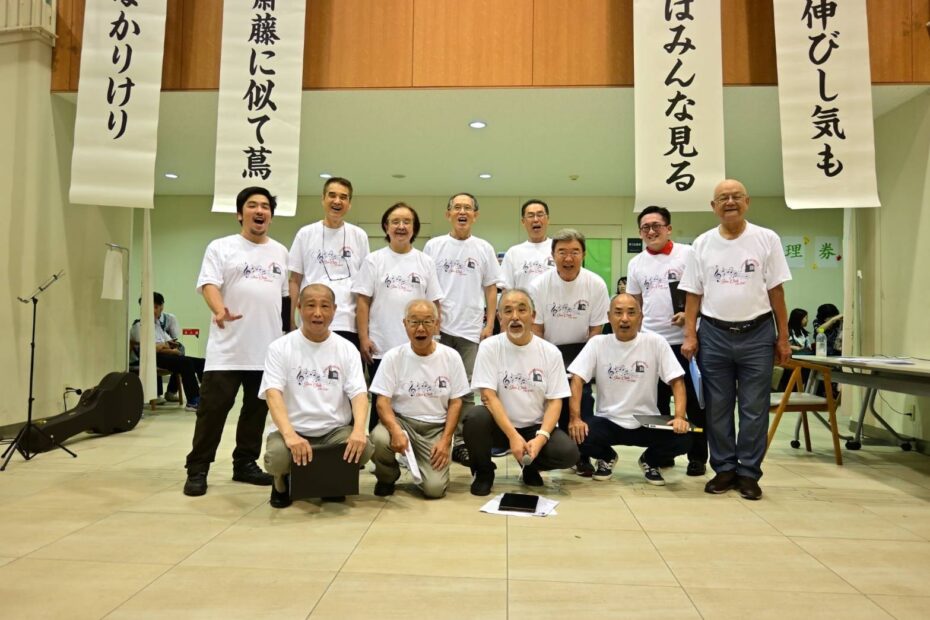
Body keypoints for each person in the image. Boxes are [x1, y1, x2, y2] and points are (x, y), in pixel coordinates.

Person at [680, 179, 792, 501]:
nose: (730, 202)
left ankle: (749, 473)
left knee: (754, 408)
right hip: (714, 335)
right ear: (713, 206)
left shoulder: (766, 239)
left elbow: (777, 291)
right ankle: (725, 468)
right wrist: (690, 335)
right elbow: (693, 294)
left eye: (736, 196)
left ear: (747, 201)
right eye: (723, 198)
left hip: (758, 334)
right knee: (718, 407)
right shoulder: (701, 243)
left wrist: (783, 337)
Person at [183, 186, 289, 497]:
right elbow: (208, 284)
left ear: (271, 215)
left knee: (256, 412)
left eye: (265, 206)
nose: (260, 211)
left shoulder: (280, 252)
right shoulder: (221, 247)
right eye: (252, 205)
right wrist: (219, 310)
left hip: (267, 349)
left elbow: (285, 299)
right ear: (239, 214)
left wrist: (287, 336)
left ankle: (244, 463)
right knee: (213, 411)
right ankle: (198, 468)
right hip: (227, 349)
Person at [259, 283, 373, 508]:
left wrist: (359, 430)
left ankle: (329, 481)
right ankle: (281, 480)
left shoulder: (346, 348)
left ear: (334, 309)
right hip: (293, 429)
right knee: (277, 457)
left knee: (365, 448)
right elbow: (273, 394)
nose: (318, 313)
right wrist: (290, 435)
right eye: (310, 305)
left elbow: (359, 393)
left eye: (325, 306)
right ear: (299, 308)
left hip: (333, 432)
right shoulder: (280, 347)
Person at [463, 288, 579, 496]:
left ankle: (530, 465)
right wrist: (512, 436)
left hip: (534, 427)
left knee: (568, 453)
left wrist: (541, 438)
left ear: (533, 316)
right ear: (500, 318)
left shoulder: (550, 352)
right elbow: (488, 396)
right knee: (475, 417)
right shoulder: (489, 347)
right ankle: (484, 472)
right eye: (507, 311)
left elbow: (555, 402)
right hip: (499, 426)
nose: (515, 316)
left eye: (521, 310)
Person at [568, 294, 691, 485]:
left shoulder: (655, 342)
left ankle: (650, 461)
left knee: (685, 437)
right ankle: (606, 457)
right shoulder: (597, 343)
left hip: (646, 421)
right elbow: (577, 379)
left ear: (640, 317)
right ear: (609, 317)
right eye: (618, 313)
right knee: (577, 435)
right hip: (608, 420)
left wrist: (680, 417)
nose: (624, 319)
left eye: (631, 313)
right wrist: (575, 418)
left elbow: (677, 380)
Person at [626, 205, 707, 476]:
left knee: (695, 403)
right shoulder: (636, 263)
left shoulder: (688, 254)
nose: (651, 231)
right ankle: (664, 453)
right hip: (652, 344)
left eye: (656, 226)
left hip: (687, 342)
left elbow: (705, 292)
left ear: (668, 228)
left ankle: (698, 457)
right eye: (645, 227)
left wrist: (690, 316)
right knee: (658, 403)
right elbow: (635, 305)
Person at [423, 192, 502, 467]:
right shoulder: (434, 246)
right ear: (448, 214)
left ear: (475, 215)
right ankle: (436, 440)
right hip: (439, 330)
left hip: (470, 330)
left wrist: (489, 324)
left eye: (467, 208)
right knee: (438, 386)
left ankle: (462, 443)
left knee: (467, 391)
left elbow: (491, 288)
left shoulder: (484, 248)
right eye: (457, 207)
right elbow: (427, 286)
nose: (462, 212)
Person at [352, 202, 443, 430]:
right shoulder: (374, 260)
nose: (401, 226)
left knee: (411, 399)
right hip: (380, 345)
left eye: (406, 222)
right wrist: (363, 338)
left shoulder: (425, 261)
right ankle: (378, 444)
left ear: (414, 228)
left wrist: (434, 338)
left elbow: (434, 304)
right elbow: (363, 302)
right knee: (380, 400)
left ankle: (409, 441)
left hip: (417, 346)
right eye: (395, 222)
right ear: (386, 227)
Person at [527, 228, 610, 474]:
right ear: (553, 255)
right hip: (548, 350)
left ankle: (582, 454)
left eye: (575, 251)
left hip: (583, 350)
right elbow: (537, 330)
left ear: (583, 254)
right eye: (562, 252)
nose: (568, 258)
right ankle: (539, 450)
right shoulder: (539, 285)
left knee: (582, 400)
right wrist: (547, 363)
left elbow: (596, 331)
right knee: (549, 400)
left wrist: (583, 368)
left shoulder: (596, 284)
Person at [369, 299, 470, 499]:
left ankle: (422, 463)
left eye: (427, 322)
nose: (420, 328)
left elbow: (456, 402)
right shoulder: (393, 357)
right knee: (379, 438)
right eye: (414, 322)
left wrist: (445, 440)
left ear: (437, 324)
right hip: (403, 422)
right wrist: (395, 430)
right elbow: (382, 402)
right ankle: (387, 477)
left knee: (434, 490)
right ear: (405, 324)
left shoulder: (451, 357)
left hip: (435, 428)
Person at [288, 177, 370, 348]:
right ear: (323, 199)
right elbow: (294, 280)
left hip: (348, 323)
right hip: (311, 320)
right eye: (332, 195)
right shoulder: (305, 233)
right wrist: (289, 320)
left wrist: (364, 333)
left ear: (349, 204)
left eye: (343, 197)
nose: (337, 201)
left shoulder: (359, 235)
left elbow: (365, 287)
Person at [130, 291, 204, 412]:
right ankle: (193, 401)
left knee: (201, 362)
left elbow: (169, 342)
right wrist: (170, 350)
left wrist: (170, 347)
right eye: (151, 308)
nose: (154, 311)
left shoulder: (157, 325)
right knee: (185, 362)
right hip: (150, 358)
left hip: (163, 355)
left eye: (156, 307)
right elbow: (151, 348)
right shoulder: (139, 326)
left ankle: (205, 395)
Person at [499, 199, 555, 291]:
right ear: (523, 222)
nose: (536, 219)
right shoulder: (513, 253)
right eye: (530, 216)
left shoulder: (558, 249)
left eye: (540, 215)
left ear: (548, 219)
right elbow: (506, 289)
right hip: (522, 301)